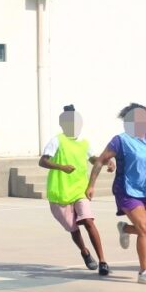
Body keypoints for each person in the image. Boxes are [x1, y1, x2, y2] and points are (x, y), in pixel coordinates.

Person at [88, 102, 146, 285]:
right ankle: (143, 272)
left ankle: (125, 229)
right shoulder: (120, 140)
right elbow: (100, 160)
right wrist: (91, 185)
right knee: (144, 229)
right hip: (127, 190)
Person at [40, 105, 110, 275]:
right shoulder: (57, 141)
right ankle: (84, 252)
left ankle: (103, 261)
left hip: (80, 190)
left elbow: (93, 159)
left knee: (88, 221)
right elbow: (42, 161)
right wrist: (61, 167)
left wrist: (106, 161)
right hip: (60, 193)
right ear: (62, 124)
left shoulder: (84, 142)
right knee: (73, 228)